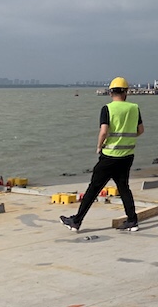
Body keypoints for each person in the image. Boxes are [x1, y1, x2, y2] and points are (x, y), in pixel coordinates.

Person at [60, 76, 143, 233]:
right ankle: (132, 220)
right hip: (127, 156)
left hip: (109, 156)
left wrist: (99, 146)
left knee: (93, 189)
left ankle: (76, 221)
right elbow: (140, 130)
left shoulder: (107, 109)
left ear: (111, 92)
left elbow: (104, 131)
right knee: (124, 188)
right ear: (126, 92)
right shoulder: (134, 108)